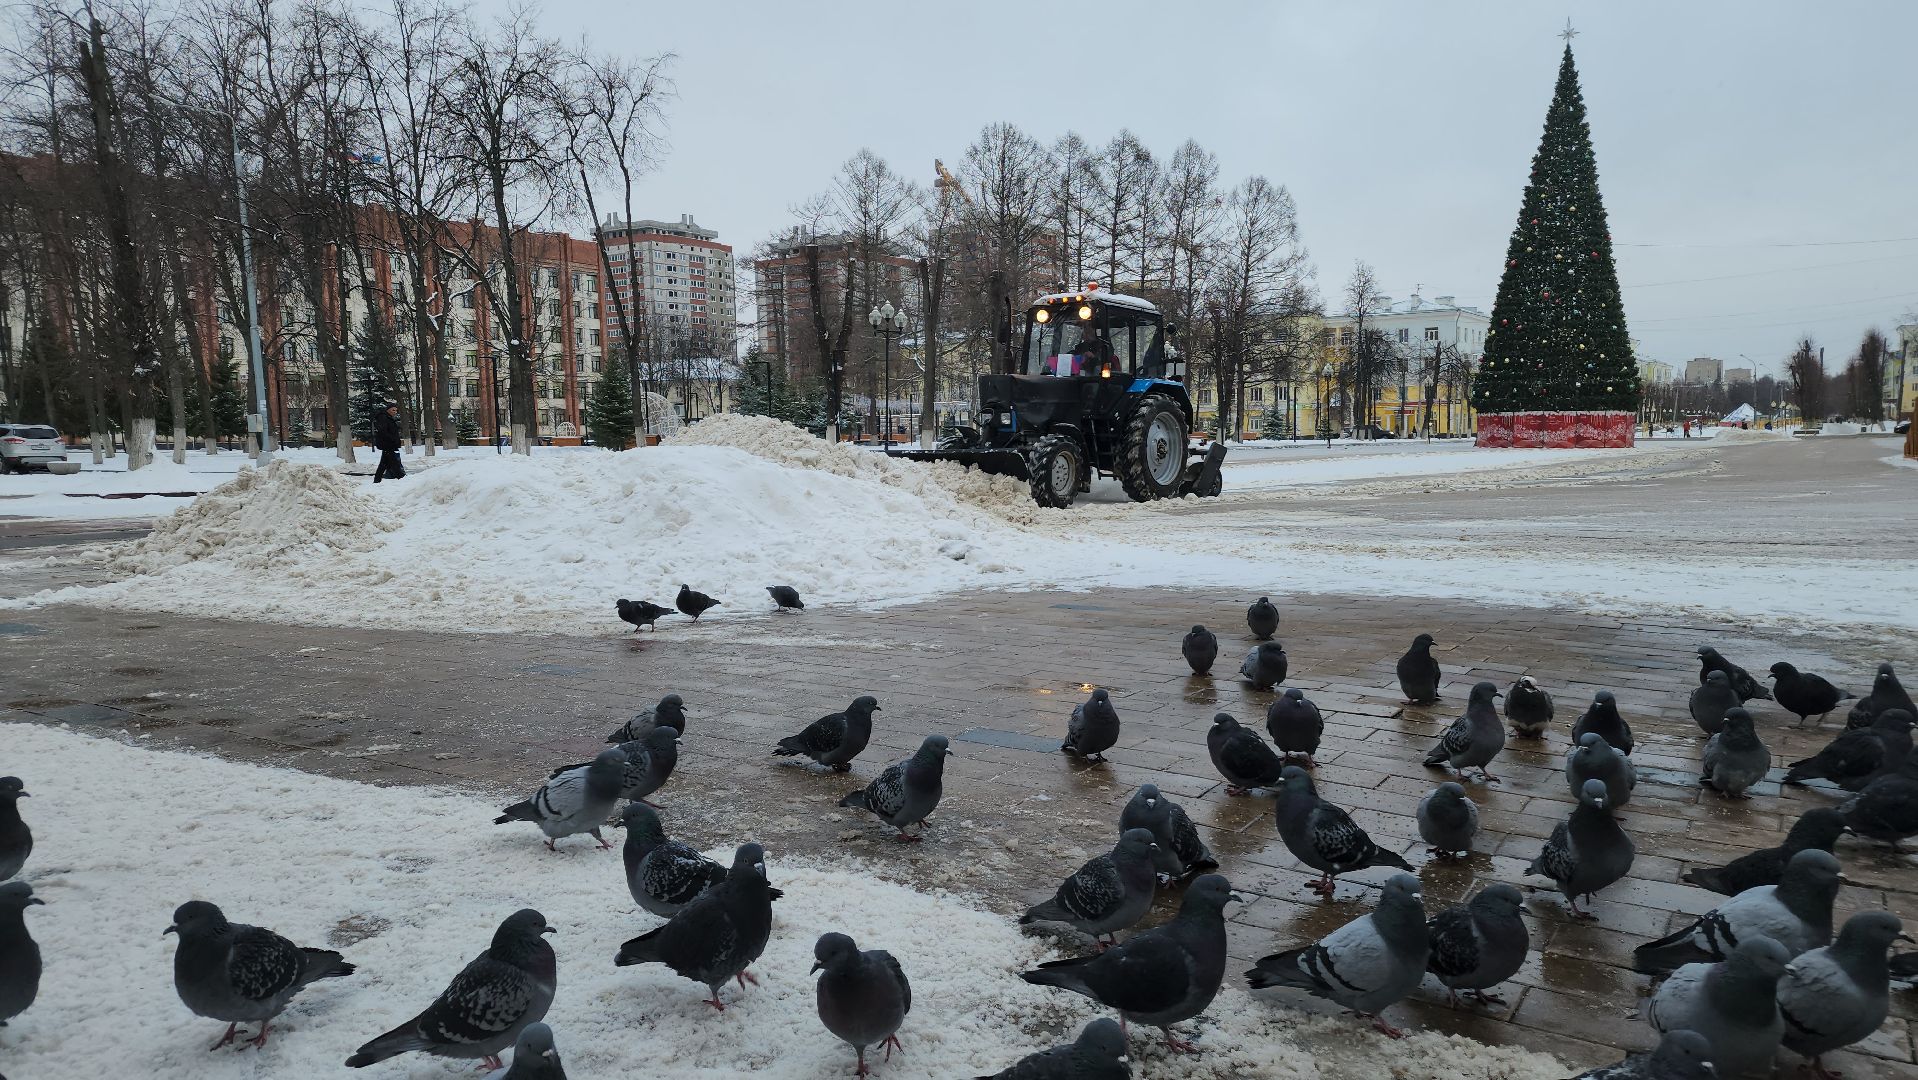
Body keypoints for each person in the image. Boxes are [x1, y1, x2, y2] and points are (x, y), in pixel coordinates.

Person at [372, 403, 405, 483]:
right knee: (394, 463)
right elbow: (383, 431)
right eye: (393, 410)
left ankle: (377, 480)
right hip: (388, 444)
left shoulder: (388, 418)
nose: (395, 412)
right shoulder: (383, 418)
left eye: (396, 410)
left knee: (384, 464)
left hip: (389, 444)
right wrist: (393, 439)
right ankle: (402, 479)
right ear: (388, 410)